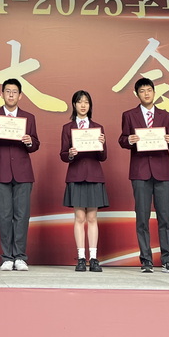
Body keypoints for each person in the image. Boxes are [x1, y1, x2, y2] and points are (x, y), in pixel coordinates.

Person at [119, 78, 169, 273]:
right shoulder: (129, 115)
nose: (146, 94)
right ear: (137, 94)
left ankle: (168, 260)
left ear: (154, 92)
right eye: (142, 91)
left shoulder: (166, 115)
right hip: (140, 171)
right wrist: (129, 139)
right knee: (142, 218)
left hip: (162, 172)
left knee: (165, 218)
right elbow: (122, 139)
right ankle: (146, 260)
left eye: (149, 90)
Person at [0, 78, 40, 271]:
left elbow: (35, 145)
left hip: (23, 173)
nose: (11, 95)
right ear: (2, 94)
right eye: (8, 91)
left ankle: (20, 257)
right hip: (1, 173)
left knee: (22, 216)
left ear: (20, 95)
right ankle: (7, 257)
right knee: (3, 215)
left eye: (14, 92)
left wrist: (29, 141)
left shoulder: (28, 117)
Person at [59, 90, 108, 272]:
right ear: (74, 104)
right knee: (79, 217)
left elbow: (103, 157)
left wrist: (102, 144)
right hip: (76, 175)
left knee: (92, 217)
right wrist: (70, 154)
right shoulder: (67, 128)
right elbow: (63, 154)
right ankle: (81, 258)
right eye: (79, 101)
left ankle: (93, 258)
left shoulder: (98, 128)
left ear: (90, 105)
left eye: (86, 102)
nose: (83, 105)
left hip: (94, 175)